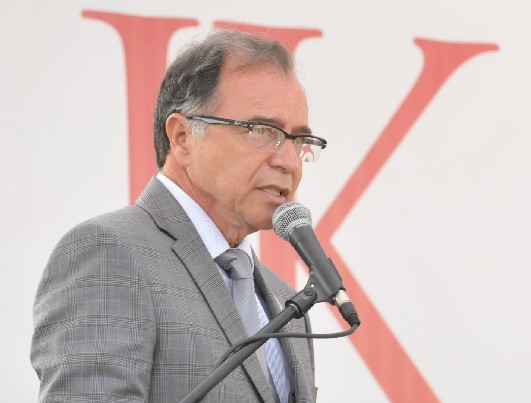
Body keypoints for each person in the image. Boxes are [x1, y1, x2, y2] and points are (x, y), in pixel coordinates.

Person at [31, 29, 327, 402]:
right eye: (263, 131)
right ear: (183, 137)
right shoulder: (108, 254)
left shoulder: (286, 300)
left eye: (299, 141)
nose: (288, 162)